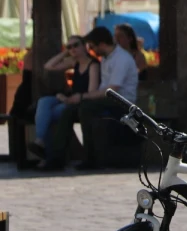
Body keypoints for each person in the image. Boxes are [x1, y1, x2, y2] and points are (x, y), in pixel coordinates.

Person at [73, 26, 140, 171]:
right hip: (110, 99)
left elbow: (112, 90)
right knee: (72, 109)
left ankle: (90, 158)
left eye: (93, 46)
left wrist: (84, 97)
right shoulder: (106, 59)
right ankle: (60, 153)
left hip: (123, 102)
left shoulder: (121, 58)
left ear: (102, 44)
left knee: (85, 108)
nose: (92, 50)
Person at [30, 35, 100, 167]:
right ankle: (39, 141)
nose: (73, 49)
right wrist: (65, 52)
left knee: (50, 115)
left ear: (85, 46)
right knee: (44, 102)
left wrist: (68, 99)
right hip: (69, 99)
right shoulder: (74, 62)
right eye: (70, 46)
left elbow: (91, 92)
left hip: (81, 101)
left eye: (76, 45)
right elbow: (48, 66)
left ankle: (47, 154)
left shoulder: (93, 65)